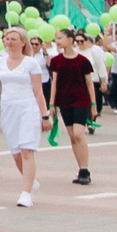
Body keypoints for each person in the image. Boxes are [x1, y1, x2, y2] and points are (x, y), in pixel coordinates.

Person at [0, 26, 49, 207]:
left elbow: (38, 91)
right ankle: (31, 182)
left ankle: (26, 192)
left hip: (28, 109)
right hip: (9, 110)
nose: (9, 42)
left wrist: (45, 115)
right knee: (16, 153)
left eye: (13, 39)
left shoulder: (31, 63)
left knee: (26, 150)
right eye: (7, 38)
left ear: (22, 43)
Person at [49, 26, 99, 184]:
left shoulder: (83, 61)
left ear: (70, 40)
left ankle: (85, 168)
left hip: (81, 100)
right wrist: (51, 104)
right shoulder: (56, 61)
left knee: (79, 134)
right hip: (64, 101)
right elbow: (54, 83)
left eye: (60, 38)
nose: (57, 41)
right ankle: (81, 170)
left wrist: (93, 105)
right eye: (56, 38)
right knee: (72, 137)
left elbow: (89, 83)